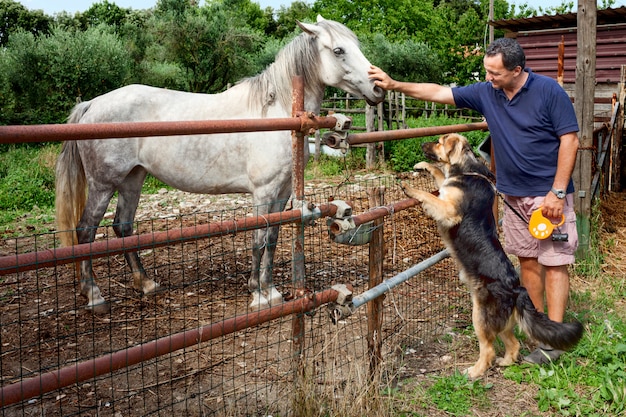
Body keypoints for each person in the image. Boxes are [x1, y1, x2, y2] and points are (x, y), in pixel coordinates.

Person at [368, 37, 580, 365]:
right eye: (486, 71)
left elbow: (570, 140)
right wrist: (395, 84)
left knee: (554, 262)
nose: (488, 78)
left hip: (548, 195)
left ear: (517, 70)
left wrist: (558, 192)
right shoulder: (487, 92)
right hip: (512, 195)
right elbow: (439, 92)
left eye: (494, 73)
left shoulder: (549, 92)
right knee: (526, 261)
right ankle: (537, 331)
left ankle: (553, 342)